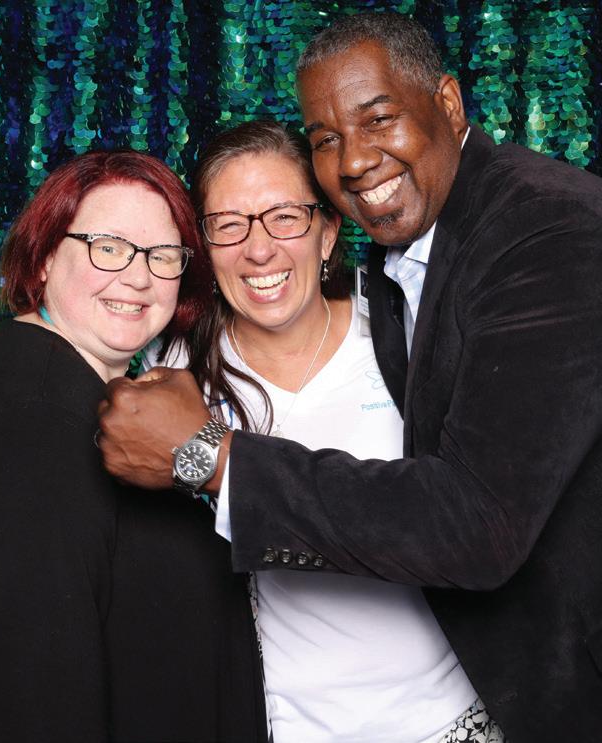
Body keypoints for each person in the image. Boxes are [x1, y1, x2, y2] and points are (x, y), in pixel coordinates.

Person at [97, 13, 602, 742]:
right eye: (326, 139)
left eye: (378, 119)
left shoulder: (550, 235)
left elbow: (477, 521)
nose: (355, 160)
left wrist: (215, 459)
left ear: (449, 105)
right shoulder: (409, 260)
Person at [0, 150, 266, 742]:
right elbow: (39, 701)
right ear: (44, 258)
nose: (138, 277)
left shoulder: (80, 396)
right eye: (108, 247)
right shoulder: (30, 421)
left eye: (162, 255)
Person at [142, 119, 500, 742]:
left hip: (449, 717)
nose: (259, 250)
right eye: (229, 224)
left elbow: (476, 514)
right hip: (291, 727)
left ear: (329, 231)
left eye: (285, 217)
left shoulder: (404, 333)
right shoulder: (175, 372)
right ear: (203, 244)